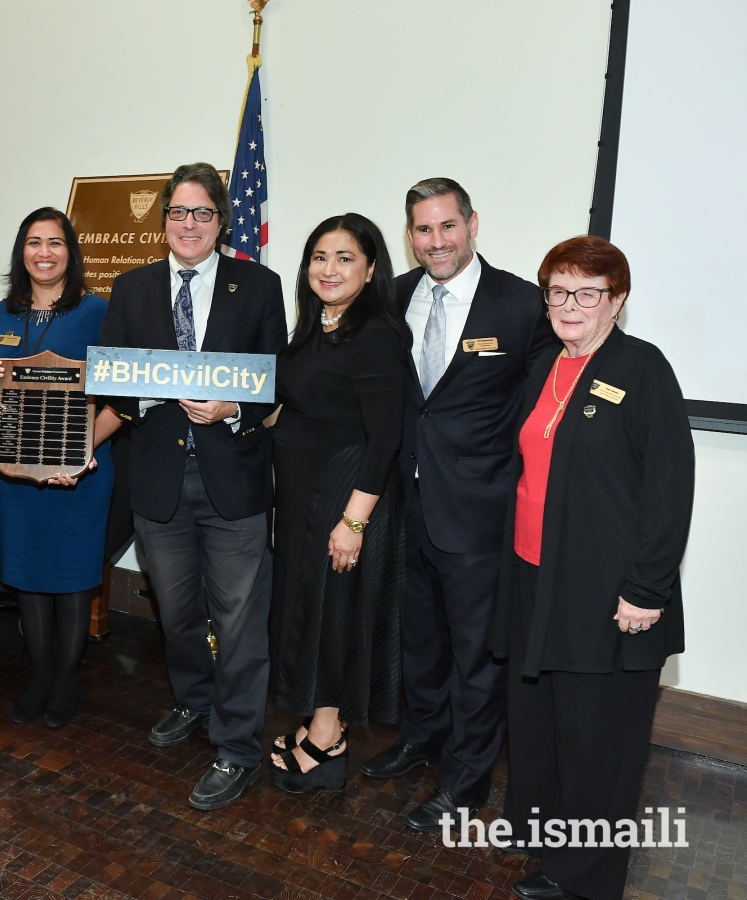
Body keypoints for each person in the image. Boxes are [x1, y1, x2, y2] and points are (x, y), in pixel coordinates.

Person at [493, 236, 693, 900]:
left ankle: (584, 878)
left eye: (587, 293)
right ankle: (544, 839)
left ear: (618, 301)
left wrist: (646, 589)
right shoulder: (545, 364)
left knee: (597, 741)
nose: (569, 305)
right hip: (533, 580)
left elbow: (670, 487)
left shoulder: (643, 369)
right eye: (557, 290)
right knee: (542, 722)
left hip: (607, 594)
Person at [361, 178, 557, 829]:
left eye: (447, 226)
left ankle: (466, 785)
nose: (436, 241)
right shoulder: (393, 296)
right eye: (422, 229)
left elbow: (540, 415)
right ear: (408, 234)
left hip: (478, 515)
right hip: (407, 505)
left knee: (476, 658)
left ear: (473, 223)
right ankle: (422, 739)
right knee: (420, 643)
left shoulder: (522, 305)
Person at [99, 162, 288, 811]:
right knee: (178, 616)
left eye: (202, 213)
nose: (189, 224)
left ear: (221, 221)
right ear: (164, 223)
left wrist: (232, 408)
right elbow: (114, 383)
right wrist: (148, 394)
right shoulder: (131, 290)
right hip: (158, 483)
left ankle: (237, 746)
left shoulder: (259, 287)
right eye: (178, 213)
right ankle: (195, 702)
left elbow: (273, 382)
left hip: (232, 480)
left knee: (238, 623)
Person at [267, 214, 409, 793]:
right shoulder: (315, 328)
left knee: (334, 615)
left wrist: (353, 523)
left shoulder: (374, 333)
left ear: (372, 269)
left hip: (347, 498)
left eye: (345, 258)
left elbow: (385, 439)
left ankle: (328, 741)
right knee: (311, 609)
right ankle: (317, 721)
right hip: (308, 495)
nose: (329, 269)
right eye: (320, 256)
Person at [0, 208, 119, 729]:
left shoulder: (98, 311)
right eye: (34, 242)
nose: (44, 252)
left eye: (55, 242)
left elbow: (119, 396)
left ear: (71, 251)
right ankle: (40, 675)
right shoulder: (1, 314)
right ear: (22, 251)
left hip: (79, 473)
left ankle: (65, 679)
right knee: (29, 579)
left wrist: (81, 454)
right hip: (17, 475)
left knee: (73, 580)